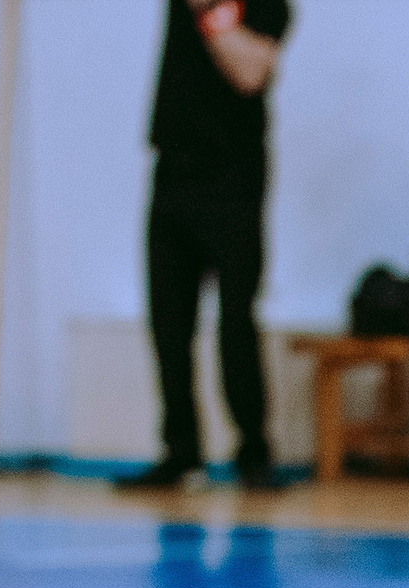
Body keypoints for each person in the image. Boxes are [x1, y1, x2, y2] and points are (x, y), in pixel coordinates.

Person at [116, 0, 291, 494]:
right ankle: (181, 452)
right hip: (173, 168)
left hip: (233, 173)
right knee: (168, 320)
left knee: (236, 317)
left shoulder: (268, 6)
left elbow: (250, 74)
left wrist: (211, 13)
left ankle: (253, 452)